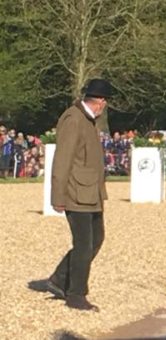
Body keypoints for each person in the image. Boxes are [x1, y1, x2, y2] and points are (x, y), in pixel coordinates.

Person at [47, 79, 112, 310]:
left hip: (91, 192)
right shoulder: (73, 119)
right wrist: (58, 195)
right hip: (76, 192)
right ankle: (76, 294)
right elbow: (62, 159)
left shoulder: (87, 120)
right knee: (84, 244)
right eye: (105, 101)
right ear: (100, 102)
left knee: (97, 239)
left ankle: (58, 278)